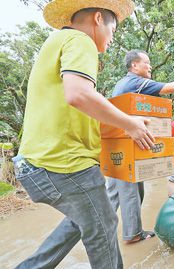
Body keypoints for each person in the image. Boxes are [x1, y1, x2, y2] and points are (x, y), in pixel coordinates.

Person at [12, 1, 155, 268]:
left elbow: (79, 108)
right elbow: (78, 95)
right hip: (63, 164)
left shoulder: (58, 43)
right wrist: (131, 124)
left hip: (35, 166)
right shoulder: (80, 40)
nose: (113, 37)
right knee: (105, 224)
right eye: (114, 29)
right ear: (99, 19)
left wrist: (124, 124)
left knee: (82, 222)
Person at [106, 49, 174, 244]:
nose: (150, 66)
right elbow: (171, 88)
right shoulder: (136, 81)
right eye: (147, 62)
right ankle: (133, 234)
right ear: (134, 65)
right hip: (128, 144)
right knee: (132, 192)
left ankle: (102, 229)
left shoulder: (121, 84)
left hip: (113, 144)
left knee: (112, 193)